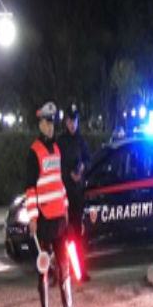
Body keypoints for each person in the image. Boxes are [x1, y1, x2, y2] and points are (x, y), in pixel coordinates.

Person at [25, 102, 81, 307]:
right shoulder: (33, 152)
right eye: (47, 123)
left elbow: (59, 183)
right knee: (44, 267)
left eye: (52, 123)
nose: (50, 127)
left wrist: (66, 207)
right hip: (45, 218)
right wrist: (32, 217)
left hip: (59, 217)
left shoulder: (56, 150)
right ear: (40, 124)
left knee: (64, 265)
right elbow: (30, 188)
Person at [57, 104, 91, 282]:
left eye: (75, 121)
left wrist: (82, 168)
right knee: (61, 235)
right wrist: (68, 173)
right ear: (66, 122)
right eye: (70, 121)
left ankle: (81, 270)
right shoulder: (60, 141)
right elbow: (56, 164)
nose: (73, 124)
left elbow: (88, 159)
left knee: (78, 234)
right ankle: (61, 271)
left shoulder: (81, 141)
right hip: (64, 195)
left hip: (77, 194)